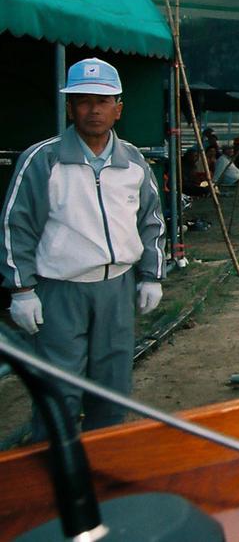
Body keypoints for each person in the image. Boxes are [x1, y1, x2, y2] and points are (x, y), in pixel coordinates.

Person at [1, 57, 166, 434]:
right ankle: (57, 478)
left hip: (118, 288)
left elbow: (151, 222)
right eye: (84, 100)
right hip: (61, 290)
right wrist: (22, 289)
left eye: (103, 101)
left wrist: (151, 276)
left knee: (112, 389)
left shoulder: (134, 163)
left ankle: (101, 475)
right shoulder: (43, 160)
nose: (94, 110)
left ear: (118, 109)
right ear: (70, 106)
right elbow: (16, 226)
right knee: (59, 390)